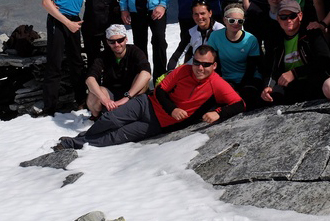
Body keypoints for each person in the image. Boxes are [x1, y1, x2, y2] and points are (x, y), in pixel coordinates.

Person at [54, 45, 245, 149]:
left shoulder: (217, 83)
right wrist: (173, 109)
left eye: (205, 64)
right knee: (110, 118)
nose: (200, 68)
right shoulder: (184, 70)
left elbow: (239, 103)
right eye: (197, 62)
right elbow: (161, 90)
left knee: (116, 137)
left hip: (158, 124)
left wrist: (218, 113)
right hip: (146, 103)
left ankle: (77, 143)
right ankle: (81, 138)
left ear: (214, 66)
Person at [41, 0, 88, 116]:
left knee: (77, 62)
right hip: (59, 21)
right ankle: (49, 109)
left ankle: (81, 103)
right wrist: (67, 23)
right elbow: (45, 1)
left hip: (74, 19)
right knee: (55, 64)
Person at [261, 0, 330, 104]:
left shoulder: (312, 33)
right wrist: (268, 86)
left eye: (292, 16)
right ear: (278, 19)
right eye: (283, 17)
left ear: (300, 16)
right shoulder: (274, 39)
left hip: (312, 80)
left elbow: (324, 61)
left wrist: (294, 73)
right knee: (269, 96)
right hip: (289, 85)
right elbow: (270, 67)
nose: (288, 20)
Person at [85, 25, 152, 119]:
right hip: (110, 95)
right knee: (93, 93)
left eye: (120, 40)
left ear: (126, 39)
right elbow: (90, 79)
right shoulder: (103, 56)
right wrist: (104, 99)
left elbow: (146, 74)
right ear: (107, 42)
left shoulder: (135, 51)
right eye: (112, 42)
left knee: (141, 79)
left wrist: (127, 97)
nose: (116, 44)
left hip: (132, 93)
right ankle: (96, 117)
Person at [208, 4, 263, 108]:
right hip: (227, 78)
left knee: (248, 98)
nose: (236, 24)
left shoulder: (251, 39)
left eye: (240, 21)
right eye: (232, 21)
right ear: (224, 20)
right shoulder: (215, 36)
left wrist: (239, 88)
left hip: (249, 78)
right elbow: (213, 62)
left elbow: (251, 68)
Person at [167, 0, 224, 71]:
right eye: (196, 14)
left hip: (216, 69)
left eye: (203, 13)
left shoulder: (220, 30)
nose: (199, 17)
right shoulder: (191, 32)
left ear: (210, 13)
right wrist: (170, 72)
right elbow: (178, 54)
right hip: (197, 67)